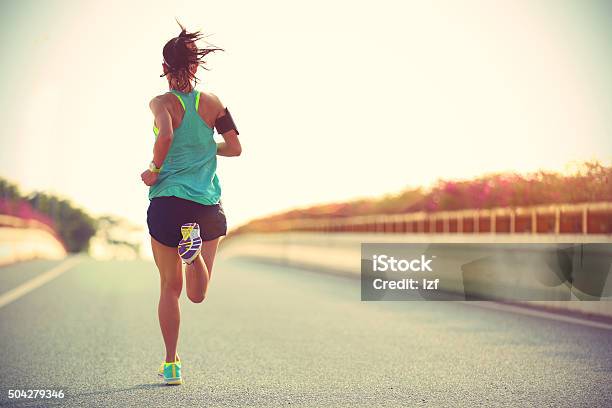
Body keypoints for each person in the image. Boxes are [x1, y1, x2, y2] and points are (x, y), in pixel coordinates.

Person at [140, 23, 242, 386]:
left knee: (170, 288)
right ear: (196, 66)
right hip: (206, 206)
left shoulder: (161, 103)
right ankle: (193, 254)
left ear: (164, 68)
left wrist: (154, 169)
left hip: (168, 203)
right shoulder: (213, 103)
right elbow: (235, 147)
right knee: (198, 293)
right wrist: (205, 147)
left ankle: (171, 364)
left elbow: (165, 134)